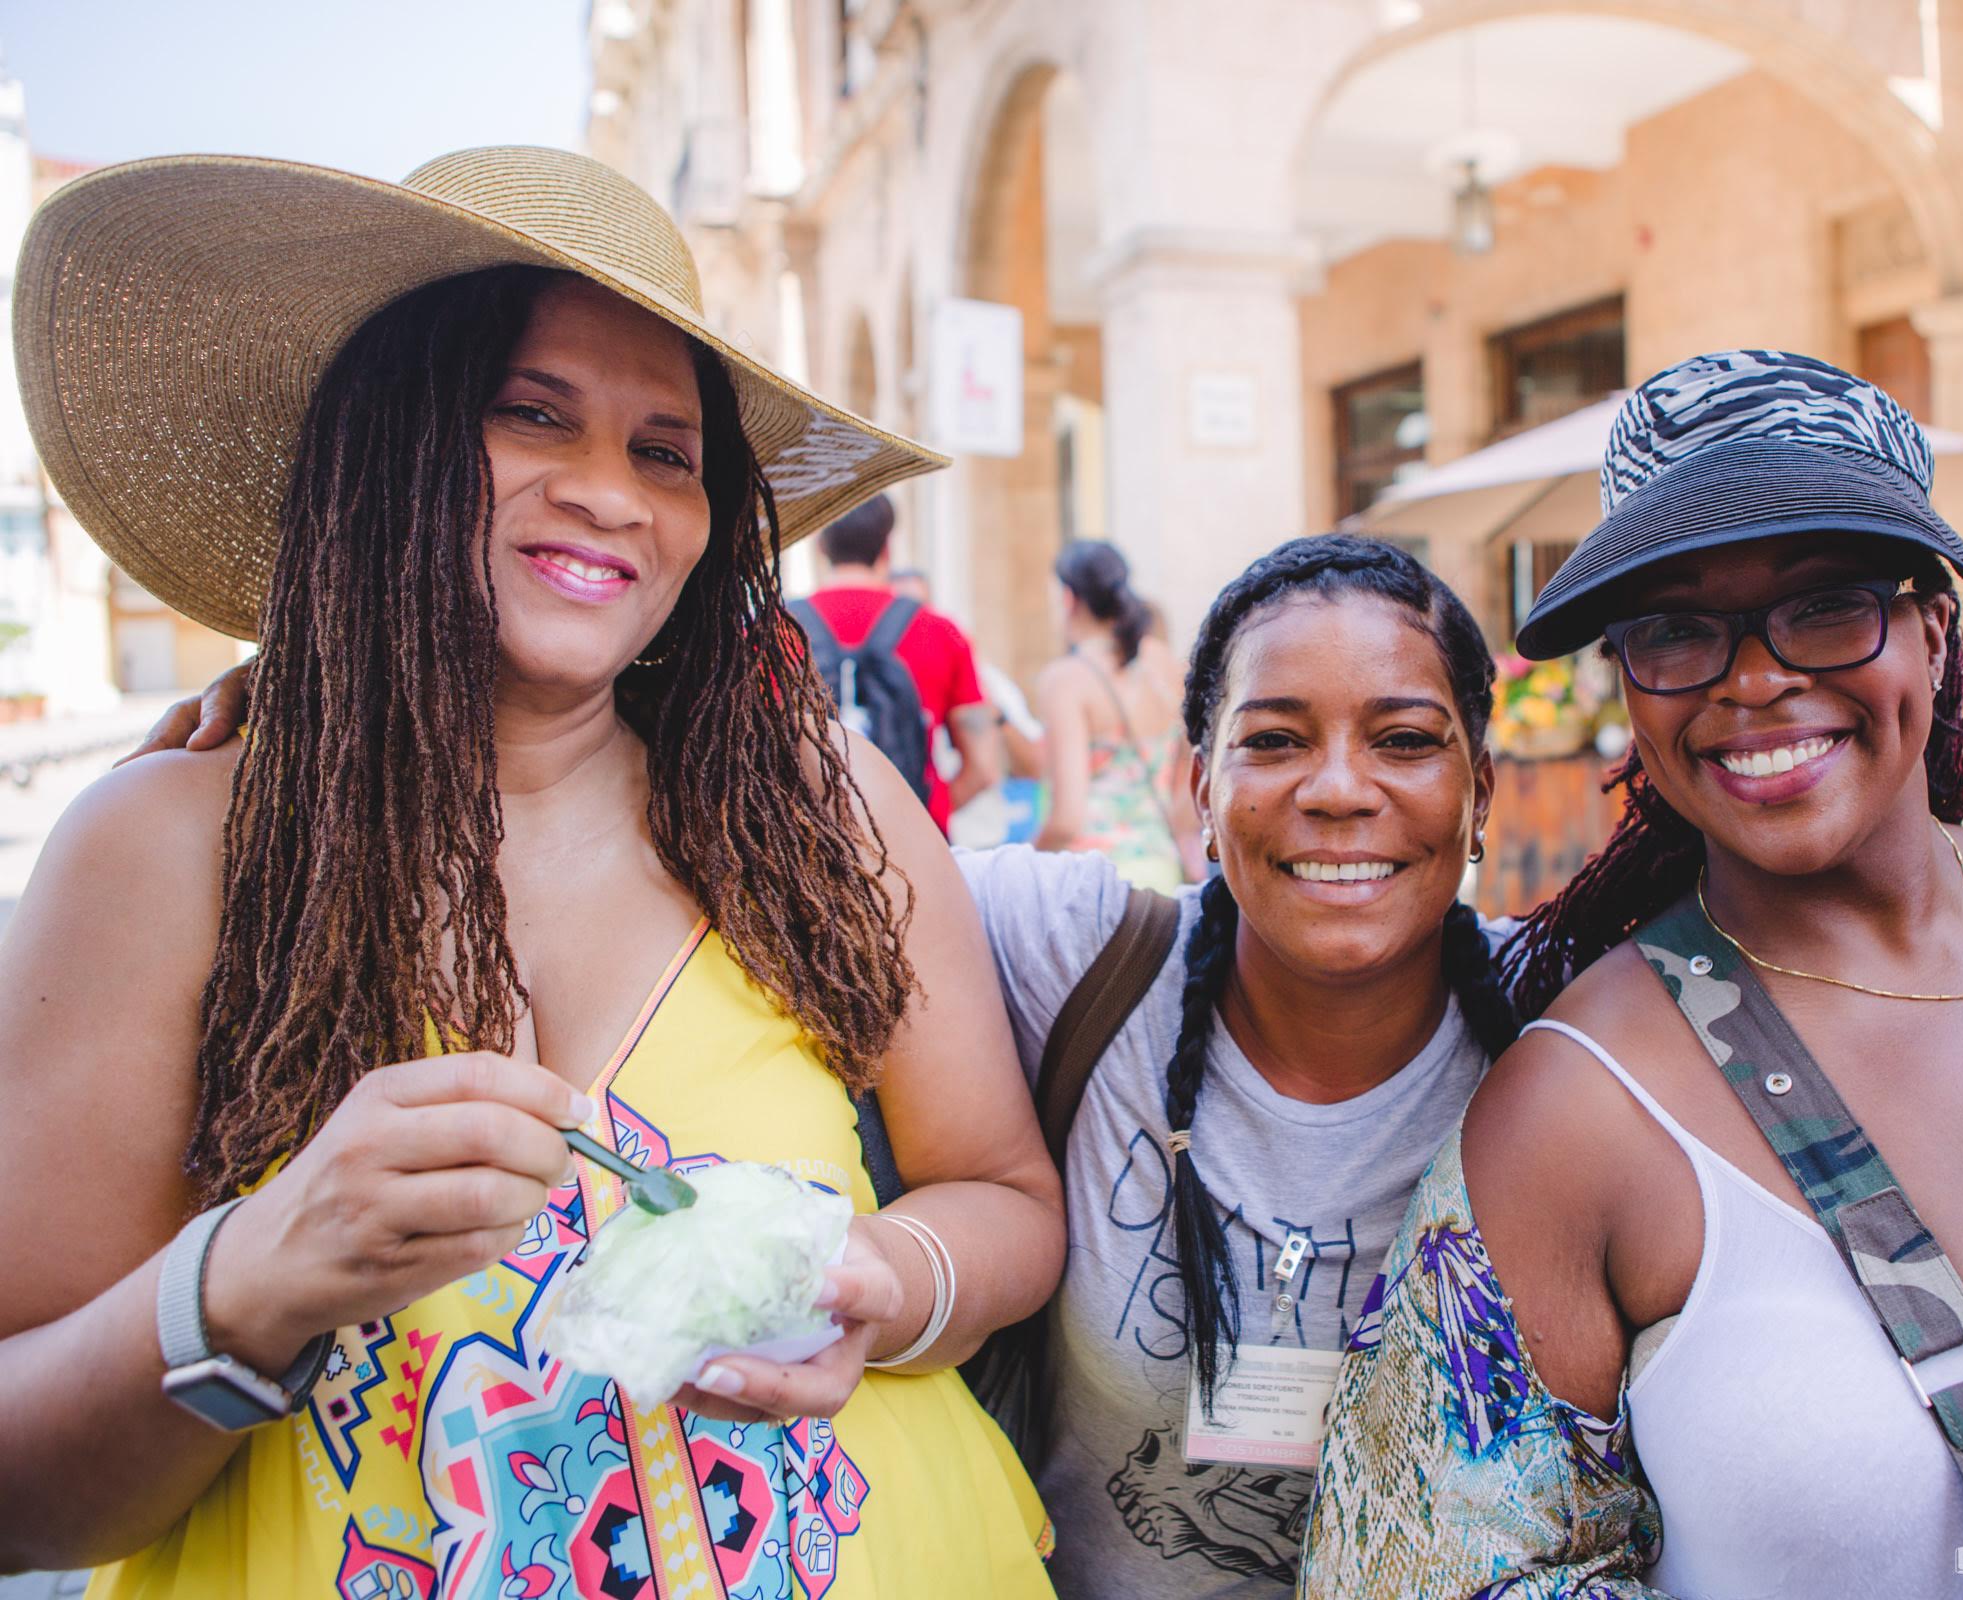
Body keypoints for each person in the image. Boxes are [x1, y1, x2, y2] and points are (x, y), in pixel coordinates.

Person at [130, 547, 1963, 1600]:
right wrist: (332, 673)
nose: (1340, 793)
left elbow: (1927, 1003)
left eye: (1406, 738)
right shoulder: (1054, 954)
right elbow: (713, 796)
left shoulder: (1616, 1060)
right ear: (1188, 791)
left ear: (1485, 787)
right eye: (1272, 740)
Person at [0, 147, 1062, 1598]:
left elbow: (1003, 1196)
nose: (610, 495)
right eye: (531, 415)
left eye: (665, 451)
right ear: (391, 447)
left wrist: (889, 1285)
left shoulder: (826, 810)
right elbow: (22, 1499)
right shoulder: (173, 848)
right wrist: (249, 1279)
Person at [1299, 353, 1963, 1597]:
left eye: (1826, 604)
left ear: (1935, 629)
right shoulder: (1572, 1115)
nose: (1755, 678)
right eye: (1674, 629)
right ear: (1629, 689)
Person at [797, 494, 1000, 835]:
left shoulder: (769, 630)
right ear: (887, 547)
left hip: (802, 854)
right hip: (914, 856)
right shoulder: (940, 631)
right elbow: (984, 769)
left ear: (819, 545)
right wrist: (926, 815)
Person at [1032, 539, 1198, 891]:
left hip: (1090, 883)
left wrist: (1023, 865)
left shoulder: (1066, 681)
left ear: (1068, 598)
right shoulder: (1165, 664)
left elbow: (1066, 818)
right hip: (1160, 870)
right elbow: (1189, 779)